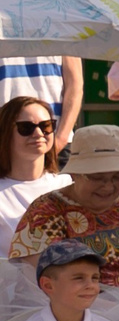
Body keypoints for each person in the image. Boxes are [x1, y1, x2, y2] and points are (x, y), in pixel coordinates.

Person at [10, 126, 119, 296]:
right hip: (69, 315)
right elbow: (40, 283)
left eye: (118, 176)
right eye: (97, 178)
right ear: (74, 174)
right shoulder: (45, 211)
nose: (108, 186)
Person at [0, 95, 69, 238]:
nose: (38, 134)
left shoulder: (69, 186)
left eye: (46, 126)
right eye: (26, 127)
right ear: (5, 133)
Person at [0, 55, 81, 153]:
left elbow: (75, 86)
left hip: (53, 139)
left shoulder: (65, 39)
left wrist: (60, 139)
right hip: (5, 140)